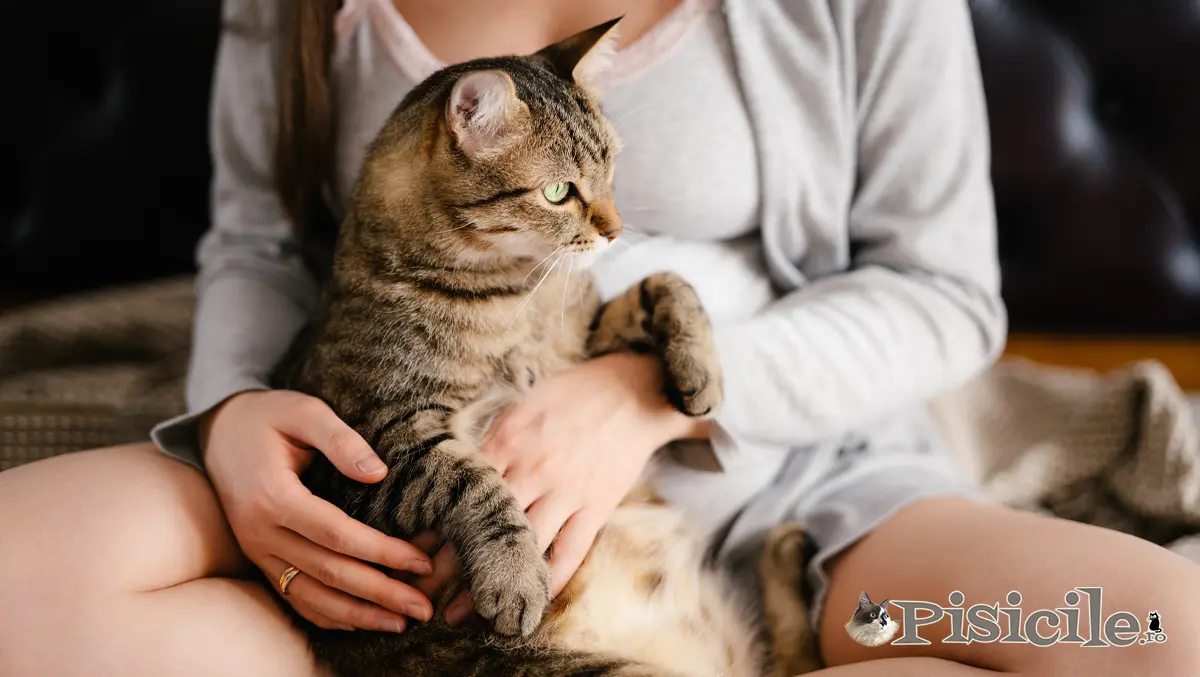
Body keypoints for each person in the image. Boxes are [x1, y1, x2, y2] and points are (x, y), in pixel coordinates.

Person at [1, 1, 1198, 675]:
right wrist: (231, 413)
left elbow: (946, 297)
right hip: (398, 480)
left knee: (1155, 632)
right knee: (21, 575)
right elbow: (257, 246)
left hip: (793, 494)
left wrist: (646, 394)